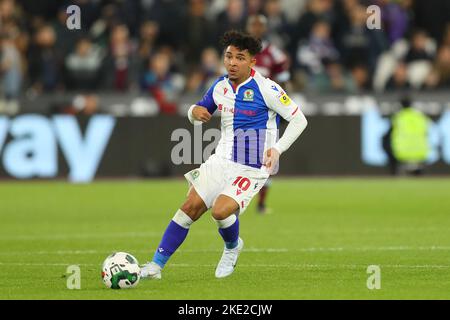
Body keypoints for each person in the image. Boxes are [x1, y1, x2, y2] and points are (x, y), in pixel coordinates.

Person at [140, 30, 308, 279]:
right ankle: (156, 266)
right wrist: (192, 112)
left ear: (252, 62)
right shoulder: (220, 86)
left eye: (239, 57)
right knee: (189, 208)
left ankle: (232, 247)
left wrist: (277, 148)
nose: (231, 62)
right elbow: (198, 112)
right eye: (228, 56)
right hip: (221, 160)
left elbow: (299, 120)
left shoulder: (267, 89)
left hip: (253, 167)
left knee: (220, 211)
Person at [246, 14, 291, 214]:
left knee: (268, 156)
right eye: (253, 25)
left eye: (259, 26)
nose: (256, 29)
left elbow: (284, 81)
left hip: (267, 113)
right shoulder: (239, 52)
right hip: (242, 111)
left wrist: (281, 104)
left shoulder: (274, 54)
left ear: (264, 29)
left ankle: (261, 203)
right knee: (237, 154)